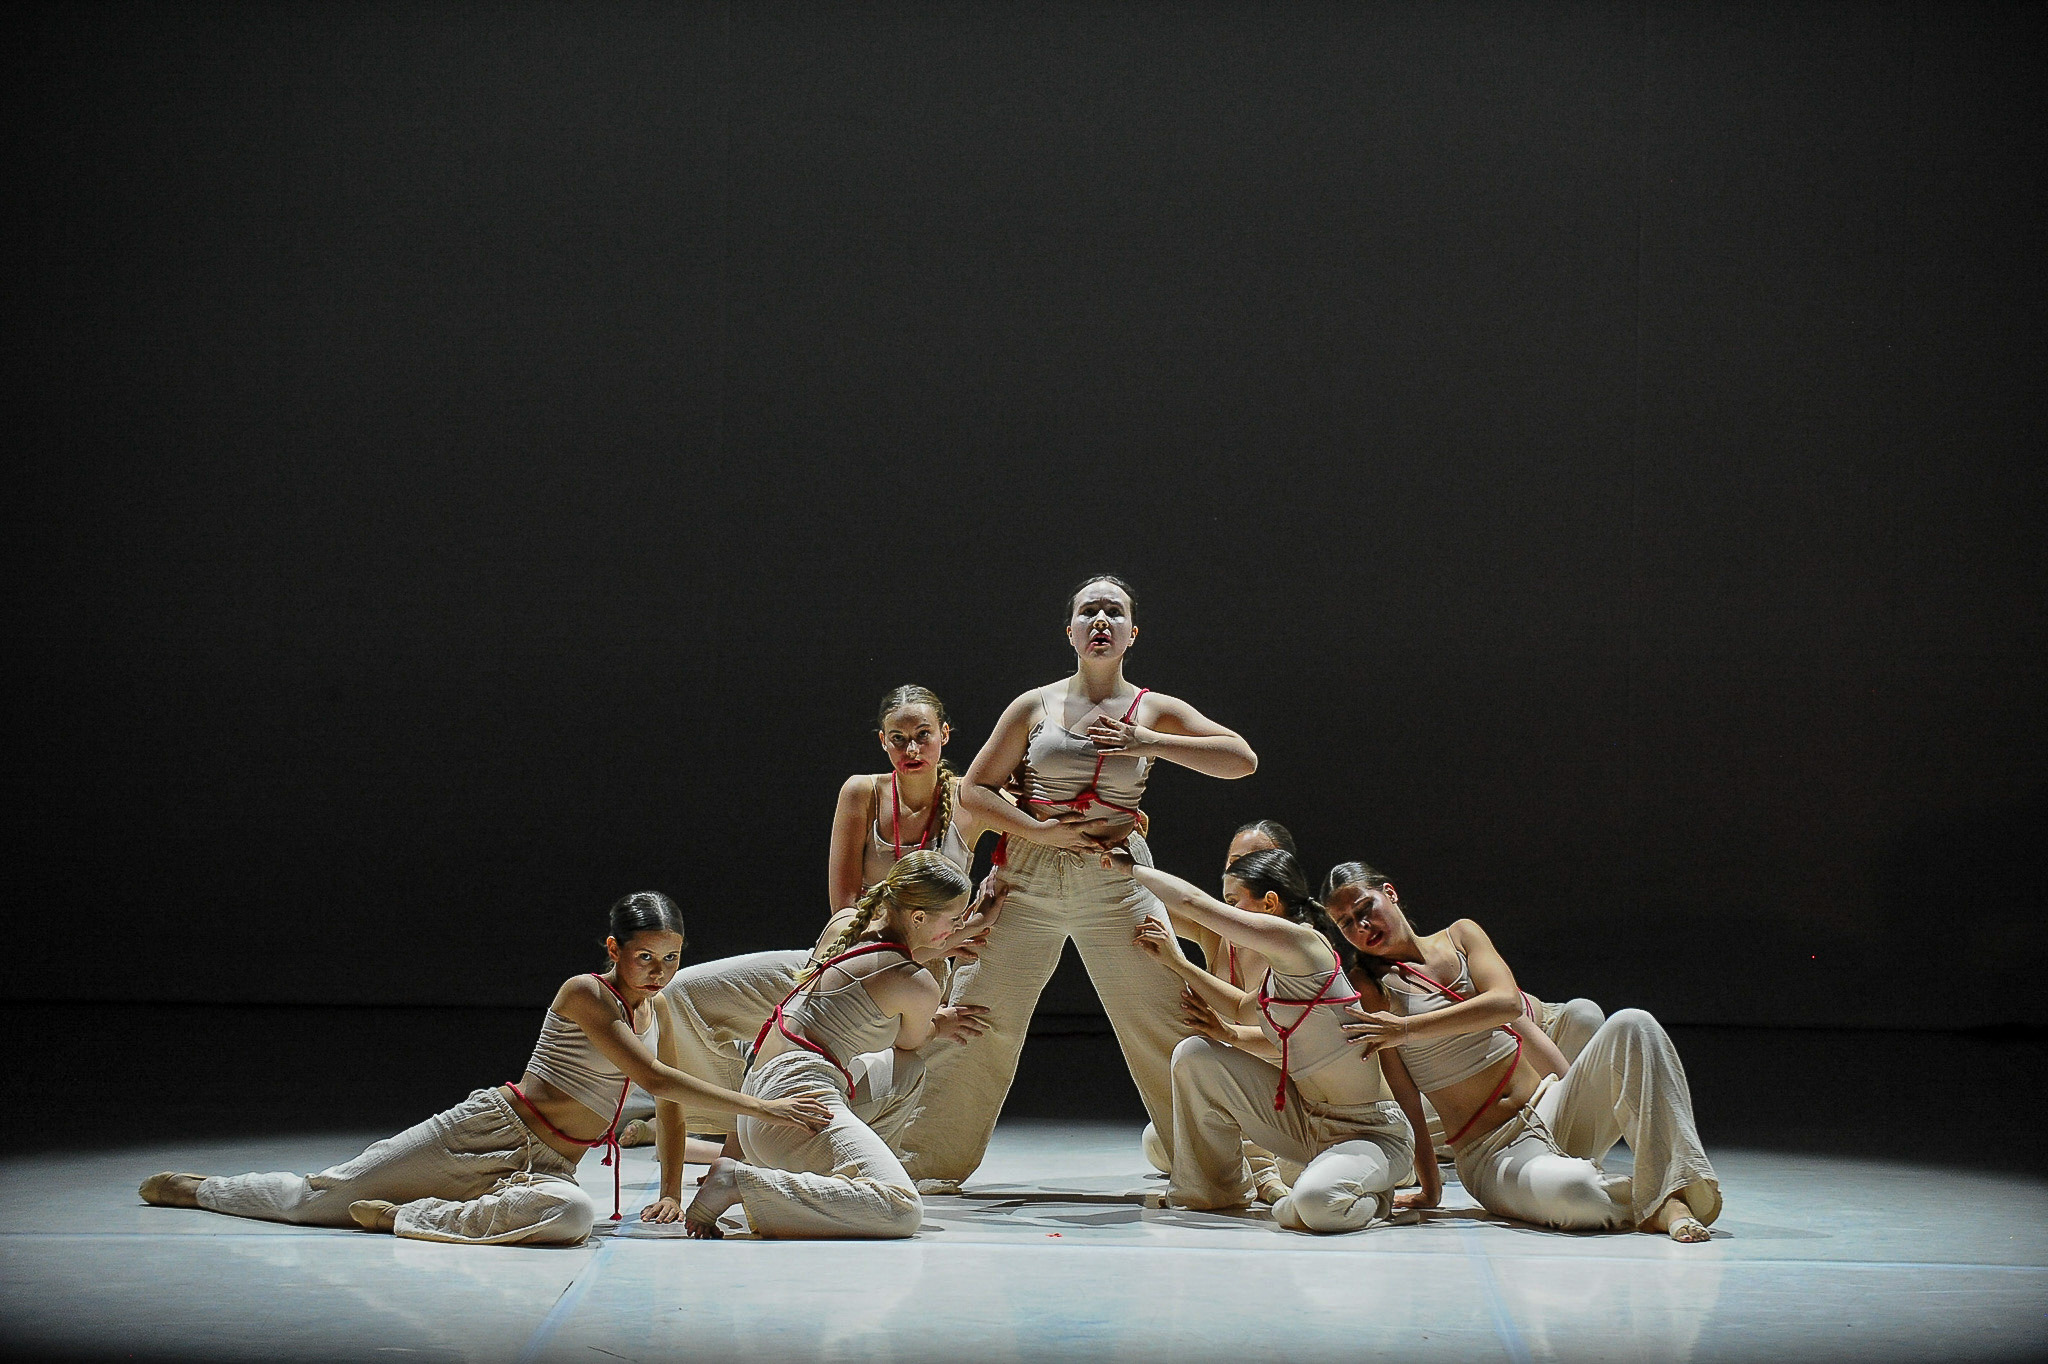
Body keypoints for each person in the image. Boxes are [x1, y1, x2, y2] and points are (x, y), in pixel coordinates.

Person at [137, 894, 832, 1245]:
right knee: (319, 1200)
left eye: (671, 958)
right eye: (645, 957)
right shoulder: (586, 993)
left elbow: (671, 1108)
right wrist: (764, 1108)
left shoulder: (657, 1009)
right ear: (614, 949)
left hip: (550, 1164)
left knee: (571, 1217)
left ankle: (411, 1217)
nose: (659, 971)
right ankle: (202, 1189)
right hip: (487, 1129)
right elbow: (655, 1084)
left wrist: (674, 1191)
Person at [898, 575, 1258, 1190]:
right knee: (976, 1014)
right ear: (1070, 631)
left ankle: (1211, 1175)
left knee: (1165, 1020)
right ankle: (923, 1162)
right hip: (1029, 875)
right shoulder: (1034, 706)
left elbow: (1240, 759)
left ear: (1132, 633)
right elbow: (975, 791)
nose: (1101, 621)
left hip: (1116, 875)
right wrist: (1041, 833)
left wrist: (1147, 741)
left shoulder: (1152, 708)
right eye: (1089, 611)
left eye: (1114, 612)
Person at [615, 684, 995, 1152]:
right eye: (898, 738)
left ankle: (729, 1147)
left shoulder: (970, 799)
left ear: (945, 735)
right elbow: (846, 907)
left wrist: (984, 906)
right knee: (682, 995)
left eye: (923, 735)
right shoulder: (863, 792)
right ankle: (729, 1122)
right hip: (842, 957)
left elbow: (1036, 819)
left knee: (879, 1062)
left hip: (909, 979)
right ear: (882, 741)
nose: (911, 749)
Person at [1326, 860, 1720, 1242]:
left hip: (1549, 1107)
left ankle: (1674, 1191)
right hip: (1490, 1152)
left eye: (1365, 908)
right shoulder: (1369, 986)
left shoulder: (1461, 935)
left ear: (1390, 894)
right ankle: (1653, 1200)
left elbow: (1508, 1005)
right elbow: (1405, 1096)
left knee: (1634, 1024)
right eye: (1346, 923)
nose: (1361, 926)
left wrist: (1577, 1089)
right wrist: (1431, 1188)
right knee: (1578, 1192)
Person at [681, 852, 990, 1238]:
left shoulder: (845, 926)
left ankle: (825, 1192)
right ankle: (739, 1182)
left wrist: (968, 927)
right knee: (901, 1210)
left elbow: (893, 967)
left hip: (759, 1101)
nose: (958, 927)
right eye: (955, 919)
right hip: (795, 1106)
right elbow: (912, 1039)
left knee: (906, 1072)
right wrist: (940, 1023)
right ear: (918, 917)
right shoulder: (914, 982)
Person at [1129, 849, 1427, 1233]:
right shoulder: (1277, 975)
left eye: (1233, 901)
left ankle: (1370, 1200)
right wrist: (1179, 965)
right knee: (1195, 1054)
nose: (1228, 910)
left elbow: (1191, 902)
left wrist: (1127, 865)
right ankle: (1214, 1191)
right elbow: (1240, 1007)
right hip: (1307, 1124)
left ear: (1269, 903)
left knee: (1315, 1205)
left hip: (1371, 1132)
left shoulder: (1305, 944)